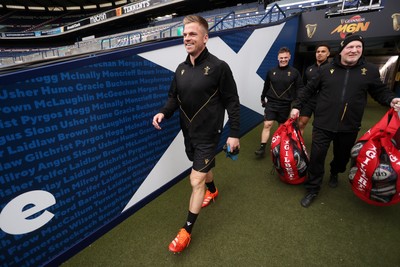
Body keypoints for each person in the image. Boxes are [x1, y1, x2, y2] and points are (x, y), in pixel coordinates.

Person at [152, 15, 240, 253]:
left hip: (210, 134)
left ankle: (186, 231)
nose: (186, 38)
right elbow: (173, 98)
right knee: (204, 169)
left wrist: (234, 133)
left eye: (192, 34)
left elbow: (232, 101)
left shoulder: (220, 67)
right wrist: (163, 113)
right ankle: (214, 191)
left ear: (205, 37)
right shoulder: (180, 69)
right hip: (188, 133)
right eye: (184, 34)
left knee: (196, 178)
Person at [290, 34, 400, 208]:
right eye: (350, 47)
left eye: (358, 47)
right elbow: (309, 89)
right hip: (323, 123)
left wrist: (391, 100)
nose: (354, 50)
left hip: (349, 126)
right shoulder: (325, 70)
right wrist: (297, 106)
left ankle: (335, 171)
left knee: (342, 158)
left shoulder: (369, 71)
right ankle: (312, 188)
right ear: (341, 50)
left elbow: (380, 92)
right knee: (317, 157)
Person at [255, 47, 304, 156]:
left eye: (286, 57)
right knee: (267, 124)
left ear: (289, 57)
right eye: (281, 58)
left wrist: (297, 105)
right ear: (278, 58)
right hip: (271, 103)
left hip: (285, 104)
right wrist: (263, 97)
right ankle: (262, 148)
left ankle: (279, 147)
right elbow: (266, 85)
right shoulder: (271, 71)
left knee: (281, 127)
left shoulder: (295, 72)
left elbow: (300, 88)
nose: (283, 60)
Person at [298, 44, 331, 135]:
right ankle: (298, 146)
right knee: (301, 123)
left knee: (319, 127)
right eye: (318, 51)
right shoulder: (309, 69)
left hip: (322, 101)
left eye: (323, 51)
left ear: (328, 54)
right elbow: (304, 85)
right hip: (308, 101)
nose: (320, 54)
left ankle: (317, 147)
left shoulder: (331, 69)